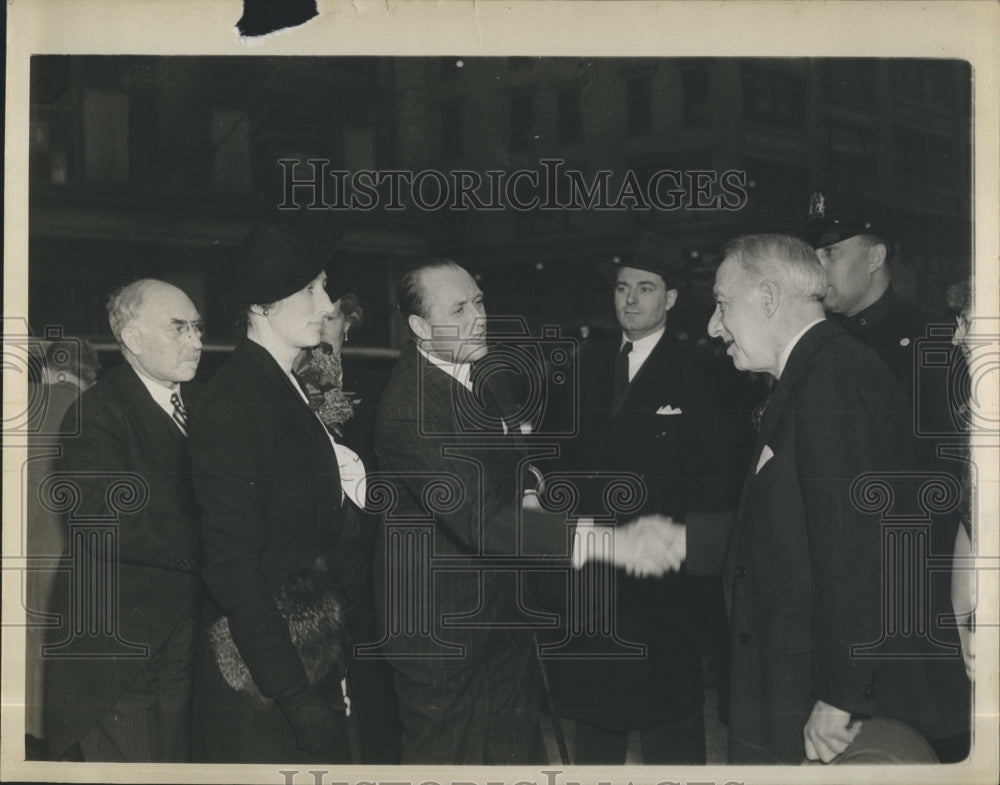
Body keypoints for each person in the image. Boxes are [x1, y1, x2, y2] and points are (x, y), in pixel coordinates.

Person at [371, 258, 679, 765]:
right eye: (458, 309)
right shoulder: (411, 410)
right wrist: (611, 541)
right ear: (420, 328)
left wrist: (532, 487)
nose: (478, 317)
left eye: (479, 301)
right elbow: (483, 521)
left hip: (505, 623)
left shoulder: (489, 375)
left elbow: (521, 460)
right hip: (441, 639)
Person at [704, 234, 917, 763]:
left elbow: (861, 549)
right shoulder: (809, 376)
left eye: (722, 305)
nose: (713, 325)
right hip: (786, 681)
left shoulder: (832, 381)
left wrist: (842, 693)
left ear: (769, 298)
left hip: (811, 700)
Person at [807, 190, 971, 761]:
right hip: (838, 593)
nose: (818, 266)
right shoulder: (815, 347)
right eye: (814, 254)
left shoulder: (929, 339)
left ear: (875, 258)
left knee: (917, 746)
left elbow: (945, 478)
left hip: (908, 594)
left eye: (831, 252)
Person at [189, 220, 360, 763]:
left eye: (324, 286)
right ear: (259, 307)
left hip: (302, 664)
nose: (327, 303)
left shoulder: (285, 386)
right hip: (259, 688)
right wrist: (294, 696)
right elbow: (234, 567)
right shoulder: (237, 397)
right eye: (310, 289)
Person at [543, 231, 716, 764]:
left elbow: (709, 481)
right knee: (597, 731)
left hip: (662, 584)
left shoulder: (703, 371)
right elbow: (554, 457)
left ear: (671, 299)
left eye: (646, 288)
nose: (632, 300)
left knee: (672, 739)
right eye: (623, 288)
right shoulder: (581, 365)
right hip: (596, 574)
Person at [44, 280, 204, 761]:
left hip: (179, 635)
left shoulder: (201, 408)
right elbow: (103, 521)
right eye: (179, 328)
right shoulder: (96, 412)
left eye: (198, 328)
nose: (196, 341)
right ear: (132, 340)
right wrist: (216, 542)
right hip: (117, 655)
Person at [293, 289, 402, 764]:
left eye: (333, 316)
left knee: (373, 685)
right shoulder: (284, 388)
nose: (323, 323)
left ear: (349, 324)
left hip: (366, 555)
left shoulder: (378, 388)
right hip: (308, 558)